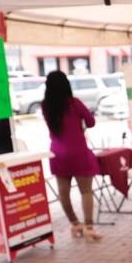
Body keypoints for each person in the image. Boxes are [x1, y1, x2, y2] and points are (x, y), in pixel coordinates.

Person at [41, 70, 102, 241]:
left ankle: (75, 224)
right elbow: (91, 122)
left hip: (57, 154)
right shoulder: (74, 103)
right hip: (78, 152)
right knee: (86, 191)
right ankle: (89, 227)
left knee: (63, 193)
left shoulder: (45, 106)